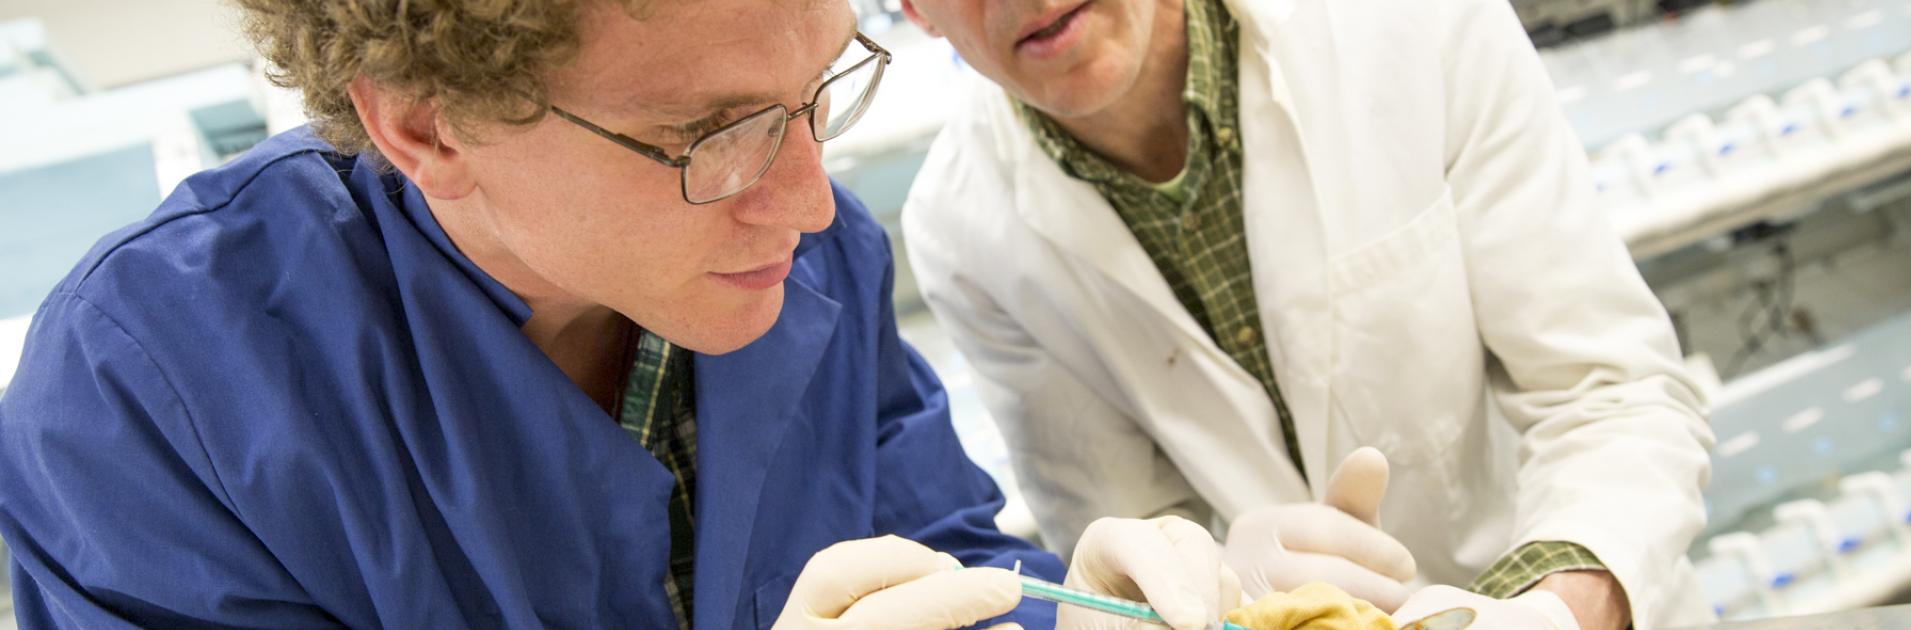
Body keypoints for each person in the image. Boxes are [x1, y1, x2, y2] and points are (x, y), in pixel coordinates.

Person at [0, 0, 1242, 628]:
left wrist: (1064, 604)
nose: (812, 202)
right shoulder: (145, 397)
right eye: (714, 135)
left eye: (816, 91)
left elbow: (934, 553)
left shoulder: (822, 265)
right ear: (427, 125)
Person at [895, 0, 1717, 626]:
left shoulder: (1407, 23)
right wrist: (1221, 583)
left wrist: (1547, 609)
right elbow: (1125, 551)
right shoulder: (962, 227)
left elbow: (1611, 392)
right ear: (912, 9)